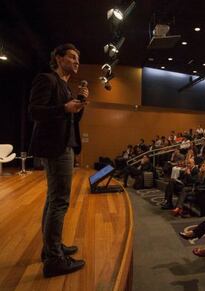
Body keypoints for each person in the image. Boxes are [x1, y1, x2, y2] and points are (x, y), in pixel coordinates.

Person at [29, 43, 88, 277]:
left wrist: (79, 105)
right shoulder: (47, 79)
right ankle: (54, 260)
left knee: (53, 200)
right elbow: (35, 111)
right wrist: (64, 107)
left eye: (78, 59)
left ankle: (50, 249)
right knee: (60, 201)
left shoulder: (65, 85)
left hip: (64, 146)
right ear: (59, 58)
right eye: (72, 57)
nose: (76, 62)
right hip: (56, 148)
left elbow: (71, 117)